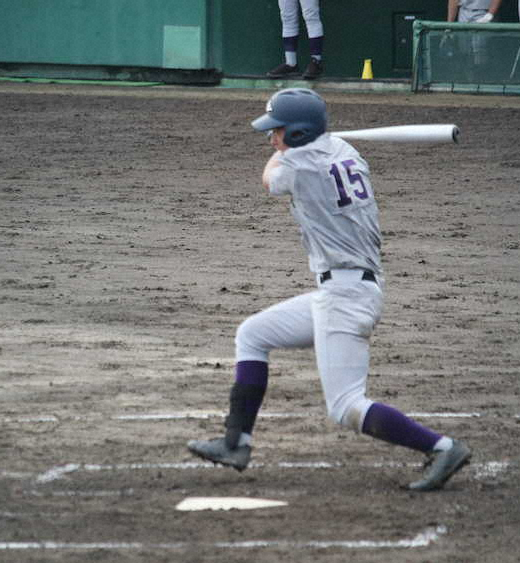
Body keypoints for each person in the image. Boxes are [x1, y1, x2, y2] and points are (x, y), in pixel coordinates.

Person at [186, 88, 472, 492]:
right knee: (253, 334)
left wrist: (284, 152)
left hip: (347, 296)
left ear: (300, 134)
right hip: (343, 289)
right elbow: (303, 153)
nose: (271, 138)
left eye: (277, 131)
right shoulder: (347, 152)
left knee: (346, 406)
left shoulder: (298, 167)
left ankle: (443, 447)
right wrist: (292, 145)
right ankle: (235, 444)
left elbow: (270, 179)